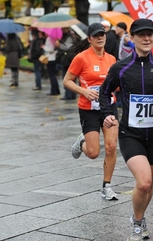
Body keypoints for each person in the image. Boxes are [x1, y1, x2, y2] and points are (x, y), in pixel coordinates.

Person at [99, 18, 153, 241]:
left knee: (149, 185)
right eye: (141, 34)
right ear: (132, 37)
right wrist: (107, 114)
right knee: (143, 182)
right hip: (130, 134)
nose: (146, 38)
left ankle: (141, 217)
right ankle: (136, 222)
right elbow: (104, 92)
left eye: (150, 34)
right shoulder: (121, 67)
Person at [63, 22, 119, 202]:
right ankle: (82, 143)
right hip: (89, 109)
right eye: (96, 35)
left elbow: (116, 82)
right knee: (94, 152)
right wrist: (84, 91)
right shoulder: (81, 58)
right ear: (89, 39)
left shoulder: (111, 59)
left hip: (109, 107)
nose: (100, 37)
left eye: (102, 34)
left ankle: (107, 186)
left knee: (111, 146)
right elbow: (67, 81)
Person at [56, 27, 76, 100]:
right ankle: (71, 94)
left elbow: (68, 47)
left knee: (66, 77)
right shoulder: (70, 35)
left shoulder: (69, 36)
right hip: (69, 59)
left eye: (63, 29)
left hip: (68, 60)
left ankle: (69, 95)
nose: (62, 30)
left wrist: (59, 45)